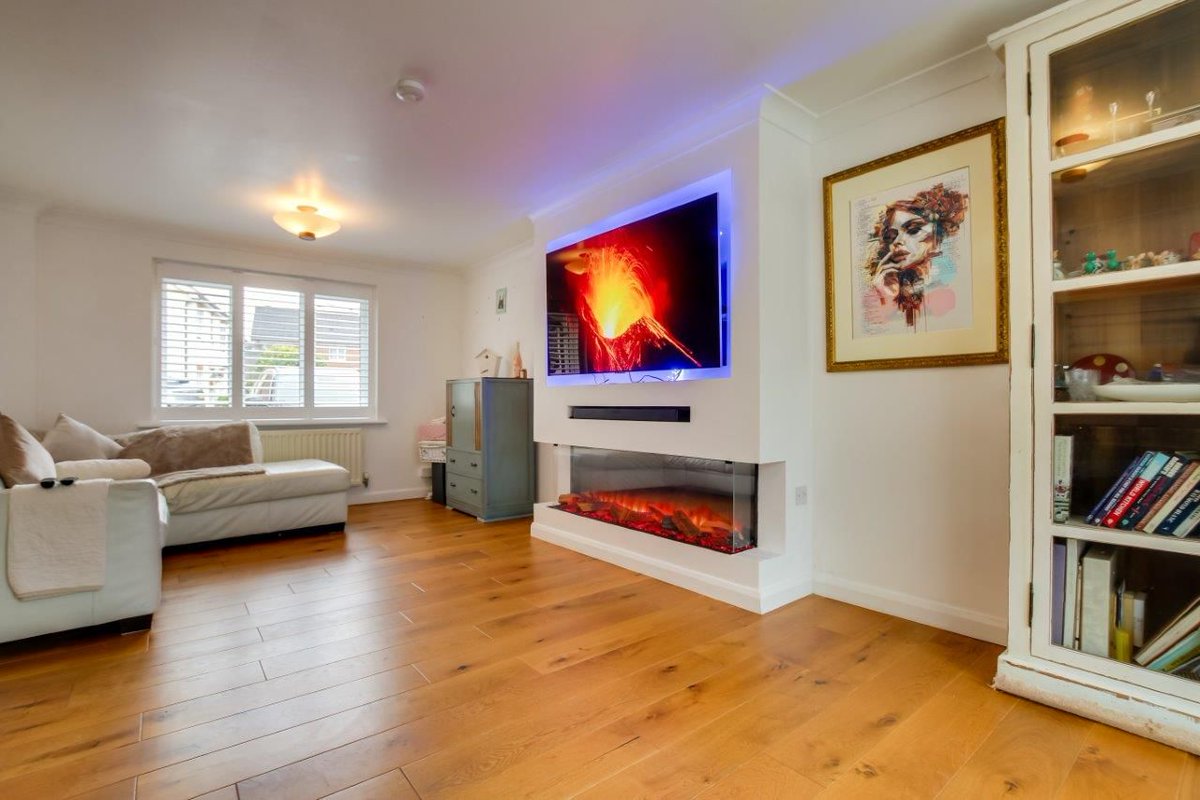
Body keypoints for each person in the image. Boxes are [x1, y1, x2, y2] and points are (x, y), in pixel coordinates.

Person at [863, 183, 967, 329]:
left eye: (913, 230)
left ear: (938, 238)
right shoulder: (882, 284)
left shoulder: (949, 285)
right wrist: (881, 291)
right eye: (891, 236)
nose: (898, 241)